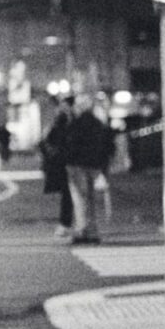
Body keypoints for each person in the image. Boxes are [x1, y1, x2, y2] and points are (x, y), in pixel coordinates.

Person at [63, 96, 117, 244]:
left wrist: (67, 160)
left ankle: (82, 230)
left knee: (80, 199)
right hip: (95, 166)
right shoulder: (98, 124)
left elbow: (70, 146)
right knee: (92, 199)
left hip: (77, 166)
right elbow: (108, 146)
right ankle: (93, 231)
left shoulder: (75, 124)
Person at [42, 95, 75, 236]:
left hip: (67, 163)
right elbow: (46, 142)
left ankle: (67, 223)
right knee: (69, 195)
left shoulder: (65, 123)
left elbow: (46, 142)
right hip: (65, 163)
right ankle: (68, 223)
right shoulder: (64, 122)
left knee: (69, 195)